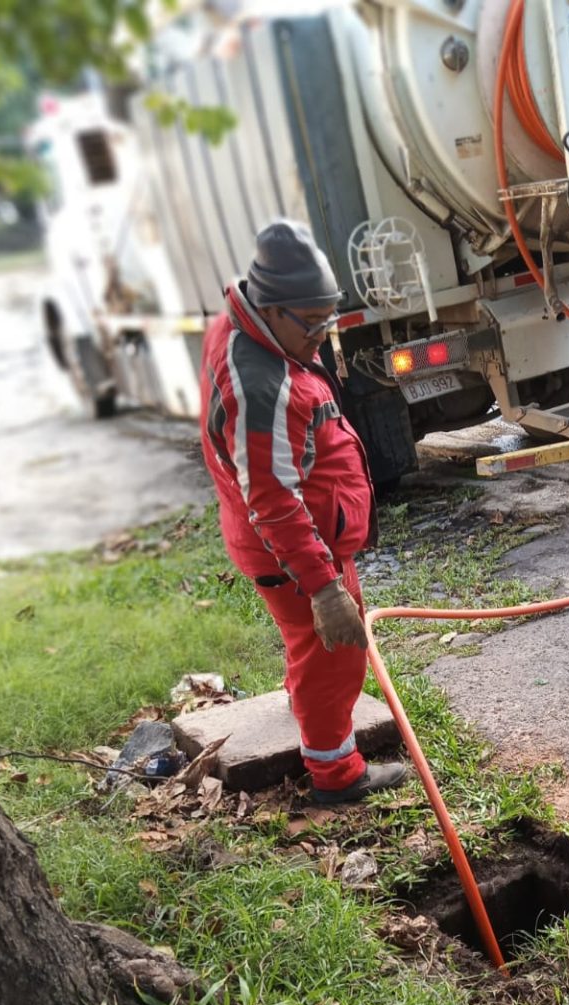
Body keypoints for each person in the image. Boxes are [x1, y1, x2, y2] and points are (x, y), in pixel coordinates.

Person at [199, 219, 408, 804]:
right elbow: (272, 500)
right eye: (312, 322)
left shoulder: (249, 331)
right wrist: (323, 588)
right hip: (295, 552)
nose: (322, 335)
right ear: (271, 309)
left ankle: (305, 703)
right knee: (335, 657)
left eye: (329, 319)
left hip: (296, 542)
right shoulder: (259, 386)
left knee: (311, 648)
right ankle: (336, 774)